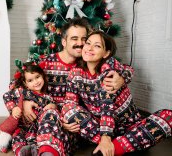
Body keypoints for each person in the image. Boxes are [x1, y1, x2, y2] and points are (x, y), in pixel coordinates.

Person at [22, 18, 134, 154]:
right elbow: (18, 80)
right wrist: (26, 101)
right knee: (51, 114)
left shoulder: (88, 61)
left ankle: (41, 148)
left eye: (83, 39)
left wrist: (122, 78)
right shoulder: (45, 62)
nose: (80, 43)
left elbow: (125, 68)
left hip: (78, 120)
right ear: (64, 42)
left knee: (70, 128)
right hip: (52, 114)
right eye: (74, 38)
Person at [62, 30, 172, 156]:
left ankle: (111, 148)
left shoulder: (110, 67)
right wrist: (66, 120)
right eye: (88, 43)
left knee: (168, 116)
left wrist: (106, 138)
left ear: (106, 53)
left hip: (129, 127)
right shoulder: (75, 73)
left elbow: (106, 105)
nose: (89, 48)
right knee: (69, 109)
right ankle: (114, 146)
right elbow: (69, 101)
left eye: (97, 46)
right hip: (99, 127)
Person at [3, 62, 66, 156]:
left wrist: (53, 106)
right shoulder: (23, 92)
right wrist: (13, 108)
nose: (36, 82)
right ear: (25, 83)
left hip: (37, 128)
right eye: (30, 80)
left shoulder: (48, 97)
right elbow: (7, 95)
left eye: (37, 77)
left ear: (42, 76)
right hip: (23, 127)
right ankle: (21, 151)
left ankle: (36, 150)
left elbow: (55, 109)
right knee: (17, 138)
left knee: (38, 139)